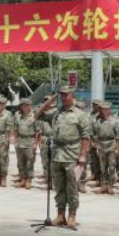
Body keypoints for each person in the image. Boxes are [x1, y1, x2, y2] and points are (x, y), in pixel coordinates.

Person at [34, 87, 92, 228]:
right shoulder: (56, 112)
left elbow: (86, 137)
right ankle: (60, 215)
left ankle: (72, 215)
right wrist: (51, 100)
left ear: (72, 96)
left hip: (72, 154)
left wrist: (83, 155)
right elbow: (37, 115)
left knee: (72, 187)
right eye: (62, 95)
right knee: (59, 187)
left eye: (66, 95)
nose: (64, 97)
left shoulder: (80, 114)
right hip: (57, 153)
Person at [13, 98, 40, 189]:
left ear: (29, 106)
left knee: (30, 162)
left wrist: (35, 143)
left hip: (30, 141)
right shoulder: (18, 115)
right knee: (21, 161)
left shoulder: (34, 116)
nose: (23, 107)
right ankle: (23, 178)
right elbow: (16, 129)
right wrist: (15, 141)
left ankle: (29, 179)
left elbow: (37, 131)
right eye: (22, 105)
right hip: (20, 140)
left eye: (25, 105)